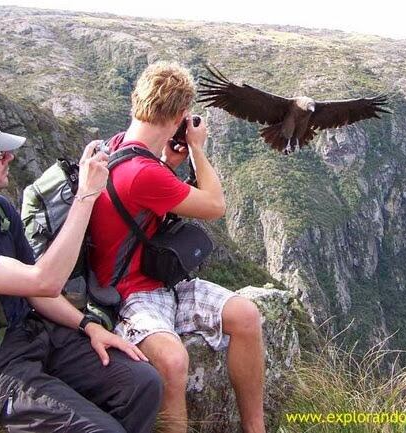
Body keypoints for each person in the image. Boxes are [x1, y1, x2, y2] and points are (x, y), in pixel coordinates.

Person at [88, 61, 266, 433]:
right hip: (128, 296)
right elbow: (215, 206)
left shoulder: (120, 146)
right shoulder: (143, 172)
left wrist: (169, 162)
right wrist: (198, 150)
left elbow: (142, 200)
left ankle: (255, 427)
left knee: (246, 316)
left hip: (158, 280)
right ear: (181, 116)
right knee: (173, 360)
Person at [0, 125, 163, 433]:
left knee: (143, 384)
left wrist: (88, 326)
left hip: (33, 335)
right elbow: (44, 281)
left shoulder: (2, 210)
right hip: (3, 367)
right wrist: (85, 195)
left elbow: (35, 293)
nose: (9, 157)